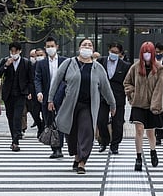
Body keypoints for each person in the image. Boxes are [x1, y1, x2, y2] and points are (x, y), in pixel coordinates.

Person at [48, 38, 116, 175]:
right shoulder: (69, 63)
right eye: (84, 44)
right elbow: (55, 82)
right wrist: (50, 99)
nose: (87, 46)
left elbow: (106, 88)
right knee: (72, 133)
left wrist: (112, 104)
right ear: (79, 48)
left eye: (89, 45)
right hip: (71, 105)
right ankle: (77, 156)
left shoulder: (98, 68)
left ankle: (82, 161)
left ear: (93, 50)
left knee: (86, 131)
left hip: (88, 105)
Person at [124, 41, 163, 172]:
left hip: (152, 105)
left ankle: (153, 151)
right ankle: (138, 157)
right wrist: (132, 94)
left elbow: (160, 89)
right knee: (139, 130)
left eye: (149, 52)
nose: (146, 54)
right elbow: (127, 82)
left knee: (151, 132)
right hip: (138, 104)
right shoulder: (135, 67)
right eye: (144, 52)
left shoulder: (159, 69)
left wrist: (156, 105)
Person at [0, 41, 34, 152]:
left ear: (20, 51)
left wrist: (29, 92)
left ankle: (15, 141)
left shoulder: (26, 63)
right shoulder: (5, 61)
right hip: (8, 94)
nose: (13, 53)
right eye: (11, 51)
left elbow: (30, 79)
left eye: (15, 51)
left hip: (21, 94)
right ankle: (14, 137)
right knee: (10, 117)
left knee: (17, 116)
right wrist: (6, 65)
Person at [34, 36, 67, 158]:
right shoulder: (41, 63)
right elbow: (37, 79)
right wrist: (39, 92)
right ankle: (54, 146)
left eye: (52, 46)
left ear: (57, 47)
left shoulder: (64, 61)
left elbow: (66, 80)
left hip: (61, 96)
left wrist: (58, 95)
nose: (50, 48)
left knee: (59, 122)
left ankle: (59, 148)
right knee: (49, 121)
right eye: (48, 47)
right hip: (46, 97)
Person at [97, 43, 131, 154]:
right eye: (112, 51)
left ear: (120, 53)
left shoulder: (125, 66)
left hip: (118, 97)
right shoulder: (100, 62)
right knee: (101, 120)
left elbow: (128, 82)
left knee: (118, 122)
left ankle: (115, 145)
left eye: (116, 52)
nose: (113, 54)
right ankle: (104, 141)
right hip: (103, 96)